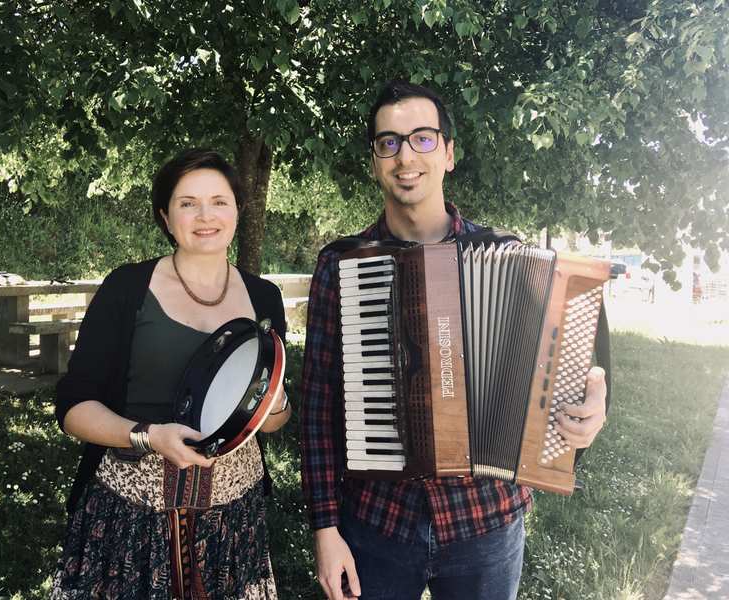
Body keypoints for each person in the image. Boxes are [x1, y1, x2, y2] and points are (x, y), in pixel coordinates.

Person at [299, 80, 609, 600]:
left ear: (447, 153)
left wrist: (592, 406)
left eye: (422, 138)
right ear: (375, 160)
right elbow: (316, 408)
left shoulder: (514, 260)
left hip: (486, 519)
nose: (404, 157)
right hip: (376, 521)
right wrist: (324, 529)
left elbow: (572, 374)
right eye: (388, 142)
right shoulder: (343, 265)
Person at [52, 148, 291, 600]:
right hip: (130, 518)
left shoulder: (264, 297)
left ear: (239, 209)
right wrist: (147, 436)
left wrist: (275, 404)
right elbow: (73, 406)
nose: (206, 216)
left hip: (232, 522)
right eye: (188, 203)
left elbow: (272, 418)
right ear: (165, 216)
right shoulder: (127, 288)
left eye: (220, 201)